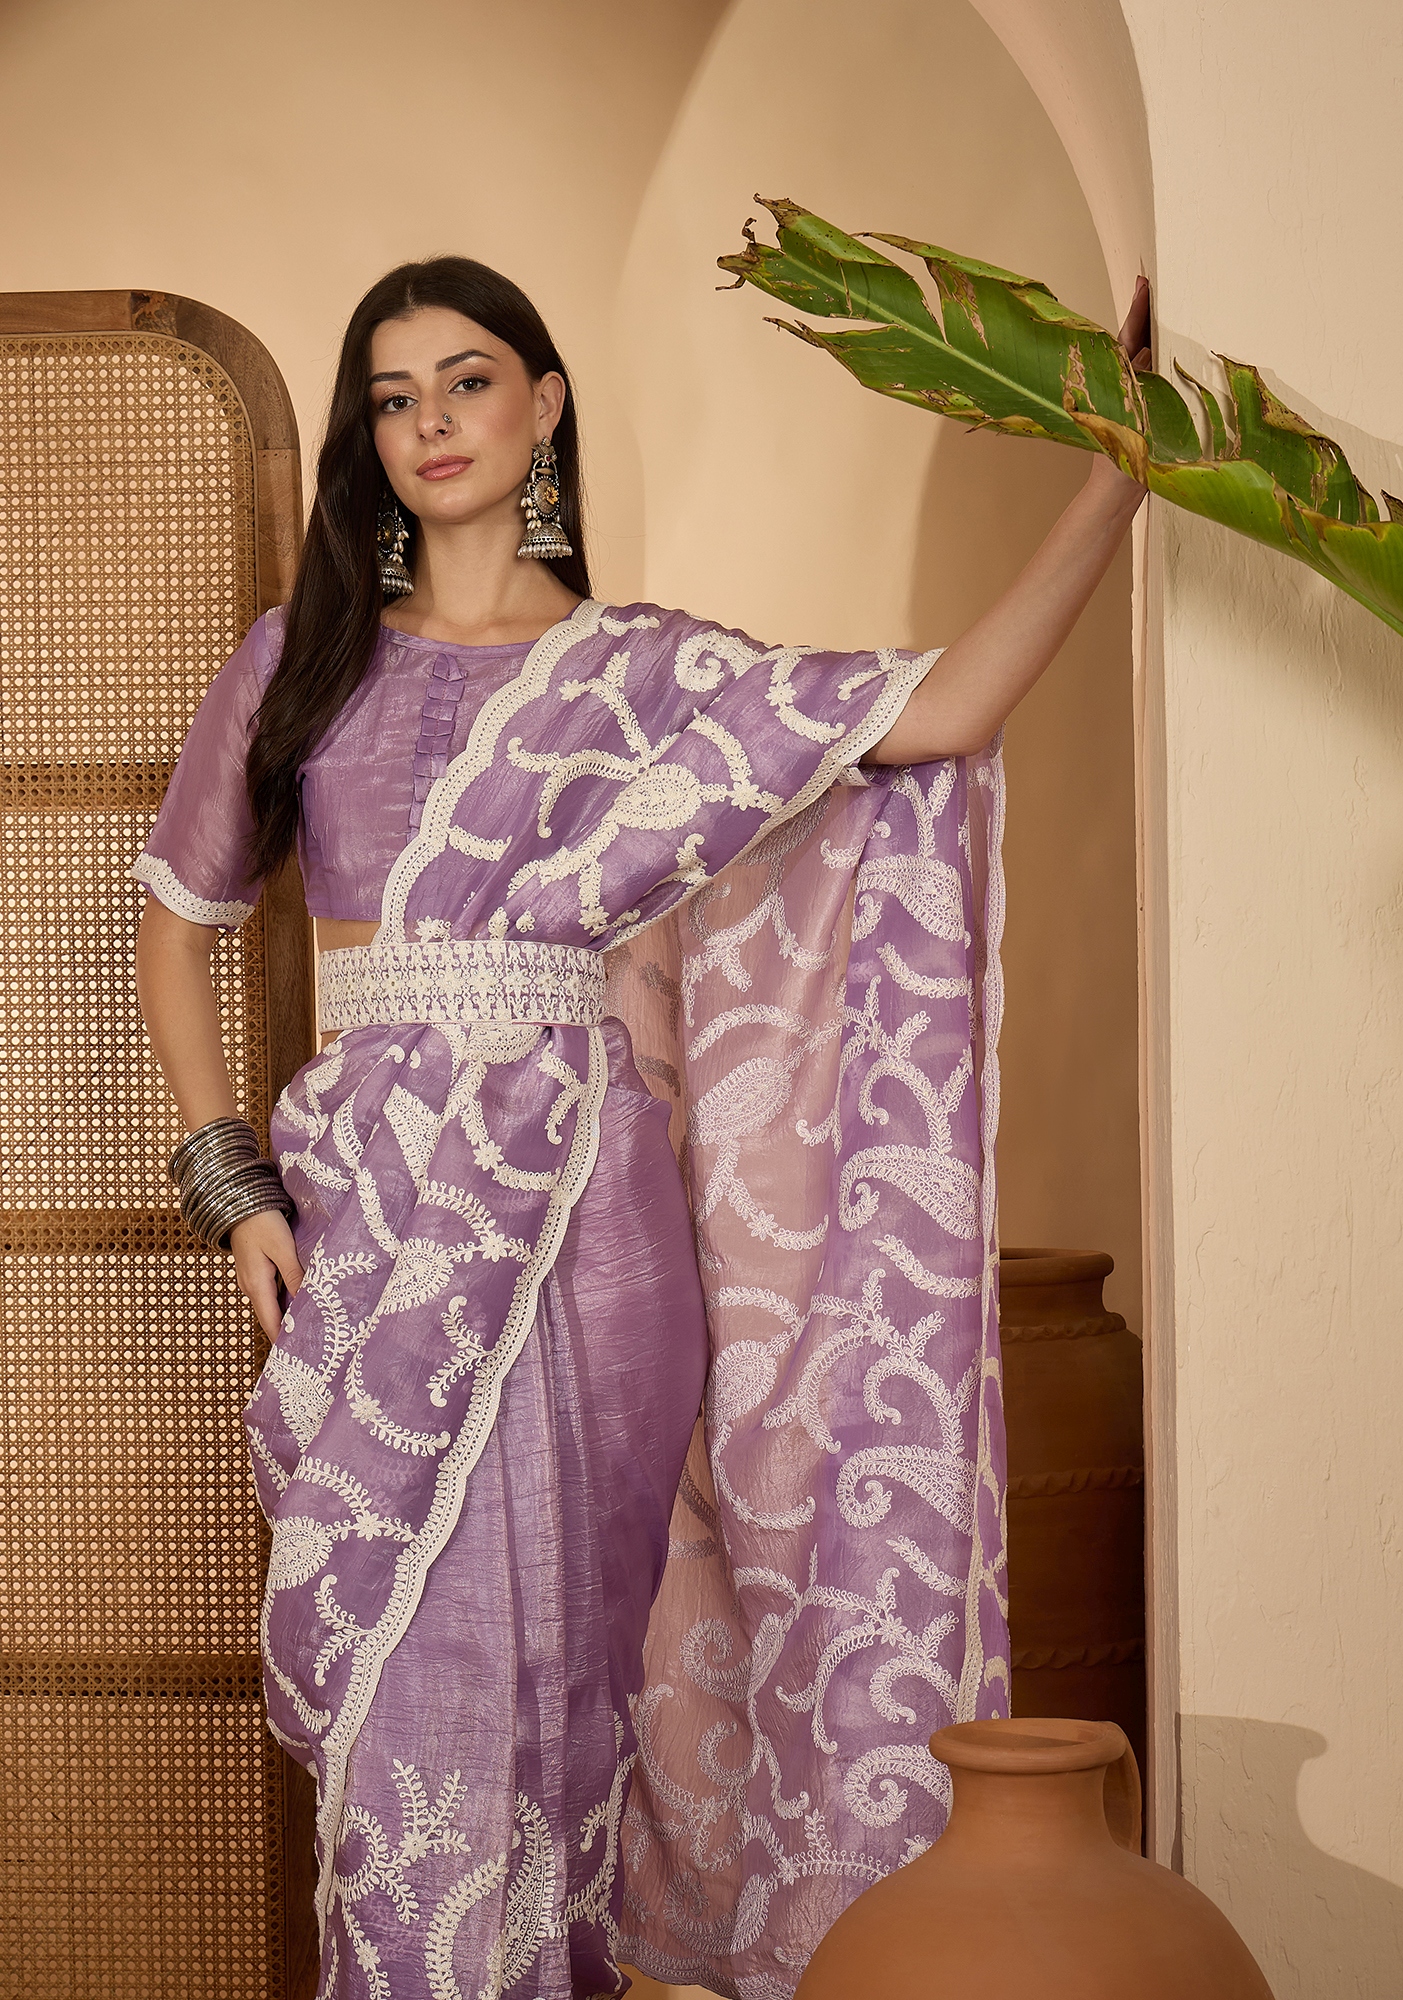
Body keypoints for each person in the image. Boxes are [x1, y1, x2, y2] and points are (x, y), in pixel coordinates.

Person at [134, 255, 1149, 2000]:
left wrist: (1117, 482)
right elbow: (175, 927)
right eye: (393, 398)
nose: (431, 424)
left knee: (571, 1683)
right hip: (374, 1214)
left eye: (467, 382)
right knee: (403, 1683)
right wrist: (235, 1191)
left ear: (544, 405)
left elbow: (946, 711)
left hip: (588, 1224)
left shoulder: (646, 675)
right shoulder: (298, 664)